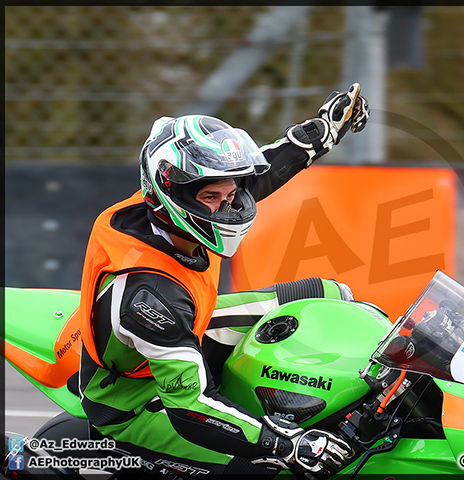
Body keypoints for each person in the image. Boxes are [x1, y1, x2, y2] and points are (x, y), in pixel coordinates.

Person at [77, 84, 370, 477]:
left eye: (227, 194)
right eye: (214, 197)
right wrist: (285, 444)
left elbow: (251, 181)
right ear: (174, 194)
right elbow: (190, 406)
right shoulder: (148, 295)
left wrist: (320, 134)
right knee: (273, 471)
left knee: (331, 296)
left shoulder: (174, 210)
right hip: (135, 403)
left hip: (187, 323)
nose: (229, 206)